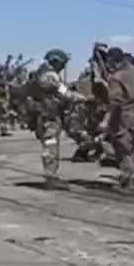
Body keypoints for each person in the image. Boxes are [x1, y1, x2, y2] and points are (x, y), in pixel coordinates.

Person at [30, 49, 83, 189]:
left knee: (51, 145)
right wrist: (83, 98)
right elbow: (64, 93)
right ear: (56, 62)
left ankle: (51, 176)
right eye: (63, 63)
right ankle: (50, 178)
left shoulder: (42, 72)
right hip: (48, 117)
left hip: (47, 115)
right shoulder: (49, 75)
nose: (64, 67)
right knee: (50, 146)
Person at [99, 46, 134, 191]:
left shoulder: (115, 78)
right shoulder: (131, 70)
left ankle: (127, 181)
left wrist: (106, 121)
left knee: (123, 149)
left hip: (123, 116)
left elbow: (115, 103)